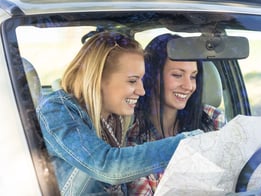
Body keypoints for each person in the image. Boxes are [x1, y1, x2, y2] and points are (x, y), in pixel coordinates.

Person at [36, 31, 202, 195]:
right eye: (132, 81)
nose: (142, 90)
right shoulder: (56, 112)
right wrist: (190, 142)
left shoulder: (115, 119)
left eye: (141, 80)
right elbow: (108, 166)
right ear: (98, 78)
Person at [126, 33, 225, 195]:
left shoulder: (213, 120)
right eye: (177, 75)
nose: (188, 86)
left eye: (193, 77)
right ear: (151, 76)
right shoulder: (132, 135)